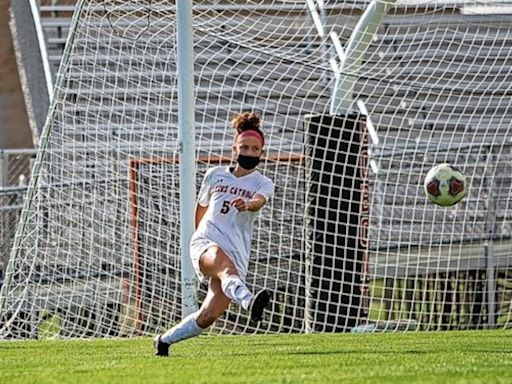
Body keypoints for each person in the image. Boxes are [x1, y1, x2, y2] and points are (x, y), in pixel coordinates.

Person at [154, 112, 274, 357]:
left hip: (237, 252)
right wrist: (198, 241)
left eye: (255, 149)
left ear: (261, 153)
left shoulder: (263, 182)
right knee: (224, 267)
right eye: (244, 147)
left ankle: (164, 340)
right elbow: (201, 209)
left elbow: (259, 201)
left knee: (207, 316)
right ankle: (249, 301)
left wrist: (249, 204)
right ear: (234, 149)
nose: (249, 153)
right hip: (206, 243)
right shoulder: (215, 175)